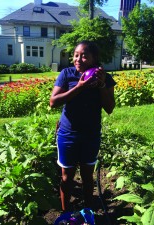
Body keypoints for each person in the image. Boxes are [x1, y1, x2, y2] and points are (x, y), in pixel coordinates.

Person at [49, 40, 116, 212]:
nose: (78, 59)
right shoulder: (67, 74)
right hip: (67, 134)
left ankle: (87, 213)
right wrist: (79, 87)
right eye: (76, 55)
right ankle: (67, 214)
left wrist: (101, 85)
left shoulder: (104, 78)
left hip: (90, 135)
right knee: (66, 177)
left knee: (87, 177)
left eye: (84, 56)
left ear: (94, 59)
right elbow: (53, 102)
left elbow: (109, 108)